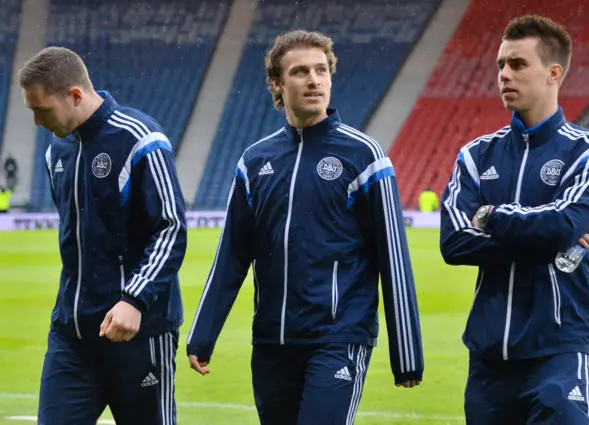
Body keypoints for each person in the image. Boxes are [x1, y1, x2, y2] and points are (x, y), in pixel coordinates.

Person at [186, 29, 424, 425]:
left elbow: (393, 258)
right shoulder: (254, 161)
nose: (314, 80)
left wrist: (407, 354)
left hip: (338, 338)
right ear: (278, 84)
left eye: (321, 70)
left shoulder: (364, 156)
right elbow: (231, 254)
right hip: (271, 342)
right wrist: (203, 334)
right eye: (300, 72)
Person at [439, 15, 589, 425]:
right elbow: (453, 243)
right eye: (501, 64)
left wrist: (491, 215)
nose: (504, 74)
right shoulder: (475, 156)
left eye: (518, 64)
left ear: (554, 73)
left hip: (560, 348)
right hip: (488, 356)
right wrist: (543, 239)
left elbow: (564, 225)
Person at [19, 46, 187, 425]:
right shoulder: (56, 152)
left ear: (75, 95)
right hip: (71, 336)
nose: (35, 122)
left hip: (138, 334)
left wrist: (134, 299)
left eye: (41, 110)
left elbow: (172, 226)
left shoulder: (141, 139)